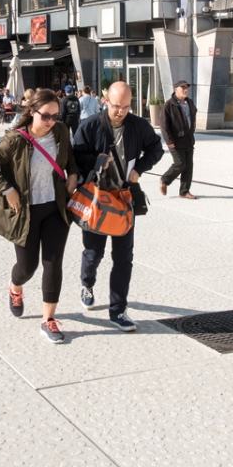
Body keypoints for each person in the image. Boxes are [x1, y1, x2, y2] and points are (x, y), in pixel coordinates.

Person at [0, 88, 81, 344]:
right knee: (27, 268)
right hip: (26, 211)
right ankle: (15, 287)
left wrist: (73, 175)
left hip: (55, 208)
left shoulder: (60, 132)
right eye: (46, 116)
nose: (51, 122)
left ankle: (48, 319)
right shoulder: (15, 140)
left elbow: (69, 159)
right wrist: (8, 190)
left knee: (53, 263)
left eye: (56, 116)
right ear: (32, 112)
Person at [73, 81, 164, 332]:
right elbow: (76, 156)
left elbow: (157, 148)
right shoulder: (90, 126)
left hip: (124, 200)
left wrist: (140, 169)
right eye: (115, 106)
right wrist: (98, 162)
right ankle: (87, 283)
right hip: (97, 200)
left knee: (124, 257)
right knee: (94, 254)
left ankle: (118, 310)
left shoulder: (138, 125)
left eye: (125, 106)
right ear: (106, 101)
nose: (120, 111)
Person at [159, 80, 198, 199]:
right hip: (175, 141)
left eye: (186, 87)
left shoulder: (190, 103)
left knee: (188, 167)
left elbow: (192, 118)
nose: (185, 90)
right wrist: (169, 141)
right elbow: (164, 126)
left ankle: (184, 191)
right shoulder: (169, 105)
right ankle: (164, 179)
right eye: (182, 88)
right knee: (180, 164)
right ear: (176, 89)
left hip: (188, 139)